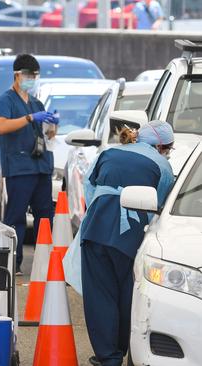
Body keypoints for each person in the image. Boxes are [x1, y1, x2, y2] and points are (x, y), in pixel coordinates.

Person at [80, 121, 174, 366]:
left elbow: (89, 185)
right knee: (128, 295)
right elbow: (160, 204)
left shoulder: (108, 152)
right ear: (161, 145)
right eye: (169, 148)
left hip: (96, 228)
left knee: (99, 295)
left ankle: (107, 356)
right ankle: (123, 348)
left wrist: (98, 209)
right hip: (132, 235)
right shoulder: (162, 165)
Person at [0, 54, 59, 275]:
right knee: (16, 216)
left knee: (45, 215)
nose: (31, 79)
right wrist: (30, 118)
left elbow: (46, 136)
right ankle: (13, 262)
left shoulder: (36, 102)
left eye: (35, 76)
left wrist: (52, 126)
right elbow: (2, 126)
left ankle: (45, 261)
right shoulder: (6, 100)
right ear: (17, 75)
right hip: (19, 168)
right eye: (29, 75)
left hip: (40, 167)